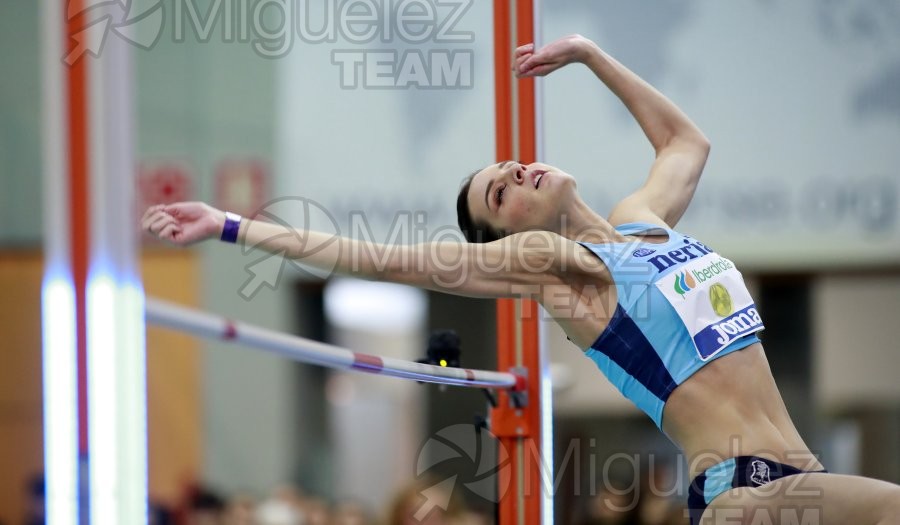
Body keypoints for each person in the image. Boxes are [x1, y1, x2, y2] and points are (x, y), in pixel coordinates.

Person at [142, 34, 900, 524]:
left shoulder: (645, 223)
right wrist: (234, 225)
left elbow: (686, 141)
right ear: (517, 235)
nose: (515, 172)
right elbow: (386, 257)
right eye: (501, 194)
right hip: (741, 496)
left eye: (508, 168)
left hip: (799, 474)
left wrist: (591, 54)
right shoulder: (562, 271)